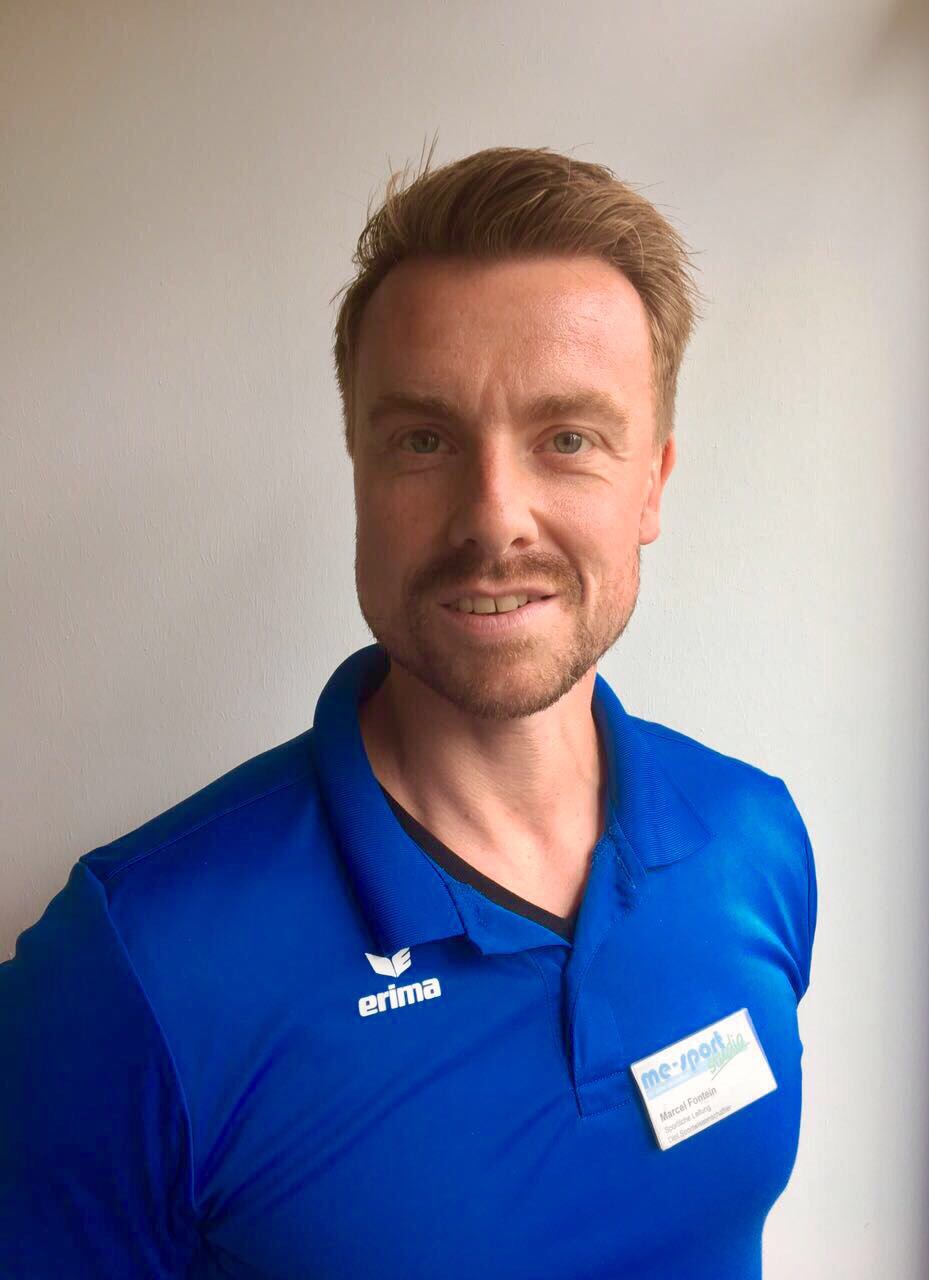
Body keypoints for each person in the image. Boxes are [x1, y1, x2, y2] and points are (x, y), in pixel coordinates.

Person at [0, 143, 817, 1279]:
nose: (495, 517)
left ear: (653, 484)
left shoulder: (753, 840)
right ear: (359, 467)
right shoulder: (135, 965)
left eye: (568, 439)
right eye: (425, 440)